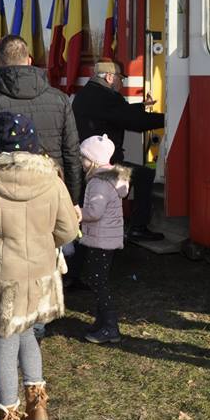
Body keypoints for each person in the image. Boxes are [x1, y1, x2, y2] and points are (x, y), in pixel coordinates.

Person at [0, 112, 80, 420]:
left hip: (5, 276)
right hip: (41, 274)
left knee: (5, 341)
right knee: (27, 331)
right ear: (33, 144)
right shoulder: (52, 180)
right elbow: (69, 229)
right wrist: (45, 244)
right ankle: (38, 406)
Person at [0, 35, 82, 307]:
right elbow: (71, 154)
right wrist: (73, 199)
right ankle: (38, 316)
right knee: (44, 253)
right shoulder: (60, 100)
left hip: (1, 195)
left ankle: (3, 313)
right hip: (50, 192)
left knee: (6, 256)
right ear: (30, 61)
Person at [71, 60, 164, 241]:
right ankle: (138, 227)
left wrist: (142, 105)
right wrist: (167, 119)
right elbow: (134, 122)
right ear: (110, 77)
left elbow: (116, 113)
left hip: (83, 160)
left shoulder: (84, 95)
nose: (122, 83)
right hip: (106, 163)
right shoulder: (108, 98)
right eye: (121, 79)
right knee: (144, 175)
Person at [78, 134, 131, 344]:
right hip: (108, 238)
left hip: (101, 238)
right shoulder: (112, 178)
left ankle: (110, 326)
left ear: (94, 160)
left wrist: (77, 212)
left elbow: (94, 212)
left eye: (84, 158)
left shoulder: (99, 183)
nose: (81, 162)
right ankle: (102, 321)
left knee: (99, 281)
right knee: (98, 278)